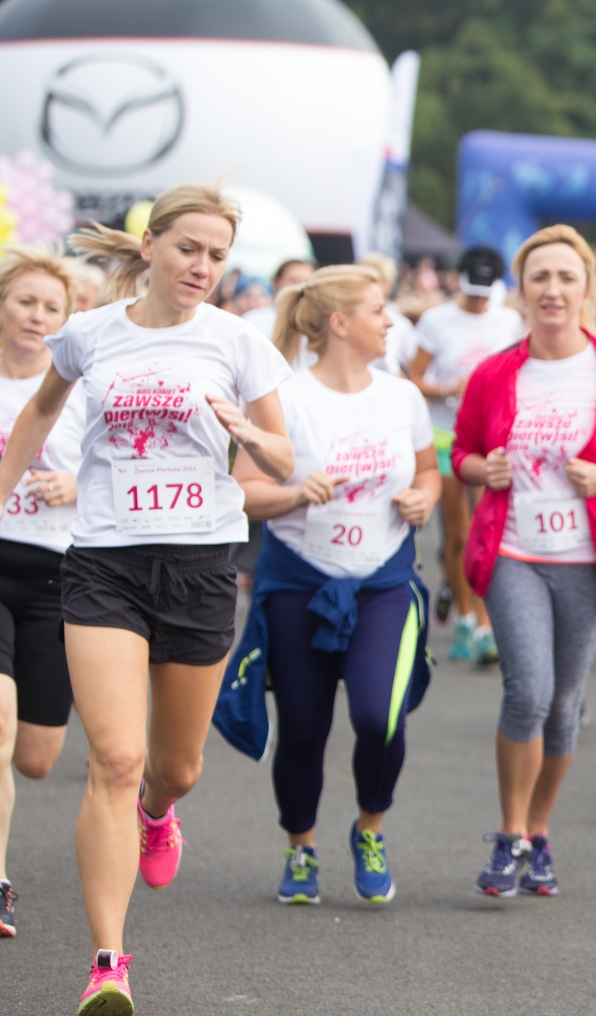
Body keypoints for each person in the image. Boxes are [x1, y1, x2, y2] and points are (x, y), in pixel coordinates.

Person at [0, 183, 295, 1014]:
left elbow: (283, 461)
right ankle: (107, 961)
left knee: (173, 767)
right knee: (113, 759)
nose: (203, 266)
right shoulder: (90, 334)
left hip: (201, 565)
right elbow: (36, 413)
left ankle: (158, 814)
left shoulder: (238, 341)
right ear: (150, 248)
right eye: (188, 248)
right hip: (103, 564)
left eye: (217, 255)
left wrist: (247, 431)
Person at [452, 224, 596, 899]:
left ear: (588, 290)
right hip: (514, 551)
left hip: (585, 558)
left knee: (566, 707)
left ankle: (538, 831)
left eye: (566, 277)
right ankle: (510, 833)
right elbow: (461, 452)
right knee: (528, 691)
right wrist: (479, 466)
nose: (553, 288)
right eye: (540, 276)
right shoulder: (494, 373)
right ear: (521, 290)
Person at [232, 264, 439, 906]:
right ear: (340, 323)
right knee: (302, 726)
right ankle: (301, 848)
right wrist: (294, 495)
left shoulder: (401, 395)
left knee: (380, 715)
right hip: (300, 580)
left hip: (382, 578)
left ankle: (369, 828)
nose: (390, 322)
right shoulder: (285, 397)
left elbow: (429, 472)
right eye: (379, 309)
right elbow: (244, 492)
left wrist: (423, 500)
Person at [0, 247, 84, 939]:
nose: (37, 315)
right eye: (25, 301)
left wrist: (76, 484)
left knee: (35, 755)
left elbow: (117, 474)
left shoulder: (79, 394)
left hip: (56, 573)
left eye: (51, 307)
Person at [409, 244, 524, 663]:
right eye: (471, 288)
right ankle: (462, 615)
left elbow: (518, 373)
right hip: (443, 434)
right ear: (457, 279)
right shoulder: (436, 320)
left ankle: (485, 623)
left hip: (490, 435)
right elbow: (414, 378)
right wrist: (451, 388)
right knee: (457, 533)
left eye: (484, 290)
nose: (478, 298)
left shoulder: (508, 319)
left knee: (485, 529)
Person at [358, 252, 419, 378]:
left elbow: (413, 367)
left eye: (379, 280)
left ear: (389, 285)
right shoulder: (355, 318)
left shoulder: (401, 324)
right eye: (367, 280)